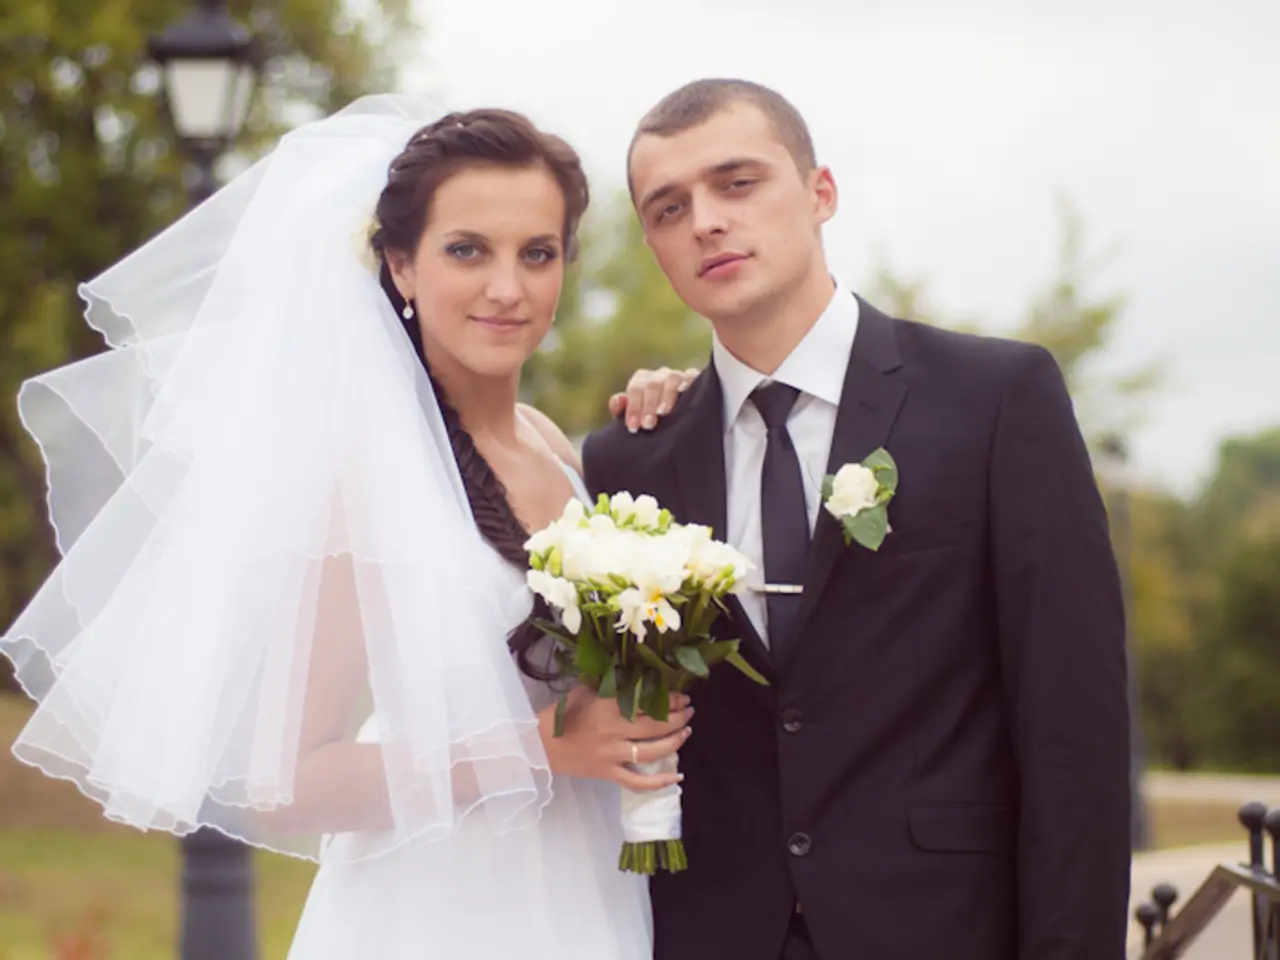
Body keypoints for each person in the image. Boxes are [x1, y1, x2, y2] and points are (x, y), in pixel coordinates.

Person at [1, 95, 691, 960]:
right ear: (401, 266)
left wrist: (678, 409)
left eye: (537, 253)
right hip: (444, 909)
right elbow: (281, 782)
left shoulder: (551, 447)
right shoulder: (359, 478)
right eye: (467, 250)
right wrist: (544, 747)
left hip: (589, 883)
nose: (508, 287)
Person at [585, 79, 1132, 960]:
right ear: (652, 243)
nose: (706, 222)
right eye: (669, 207)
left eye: (738, 183)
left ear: (820, 192)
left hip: (947, 931)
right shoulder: (627, 465)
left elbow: (1076, 732)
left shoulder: (997, 401)